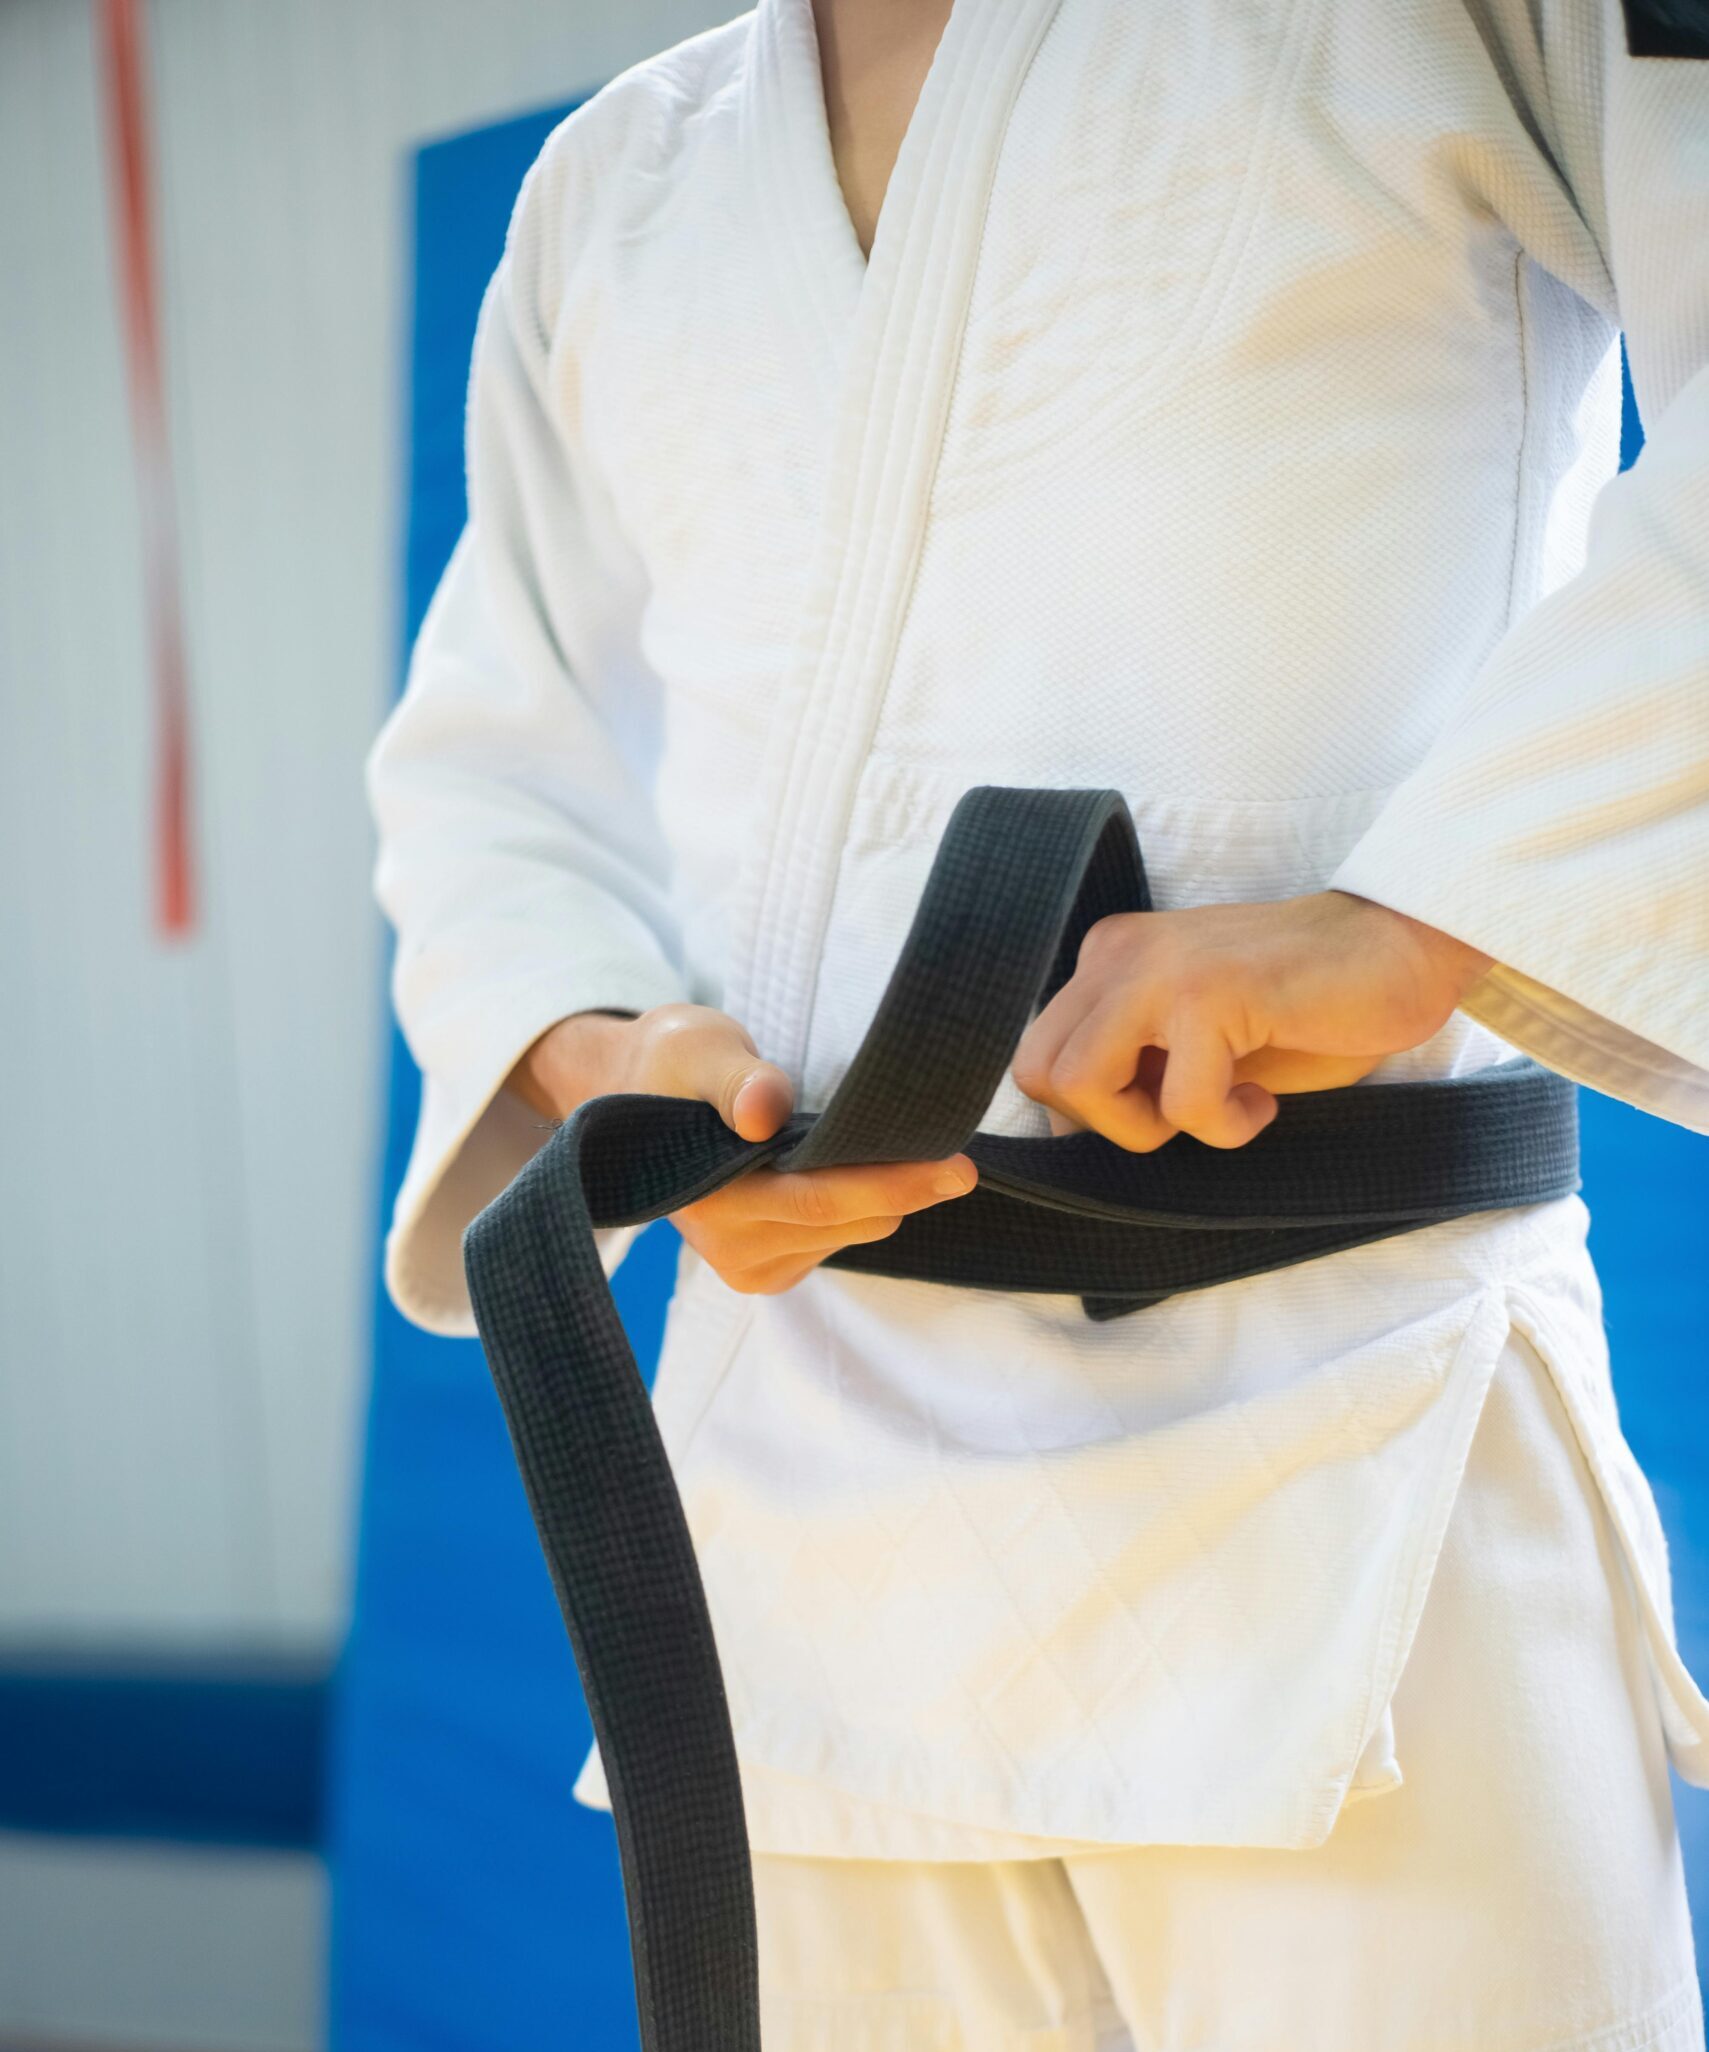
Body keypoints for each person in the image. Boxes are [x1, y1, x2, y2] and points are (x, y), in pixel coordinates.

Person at [366, 0, 1709, 2044]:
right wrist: (604, 1053)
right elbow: (493, 757)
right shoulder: (617, 183)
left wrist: (1416, 922)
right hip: (800, 1489)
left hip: (1349, 1424)